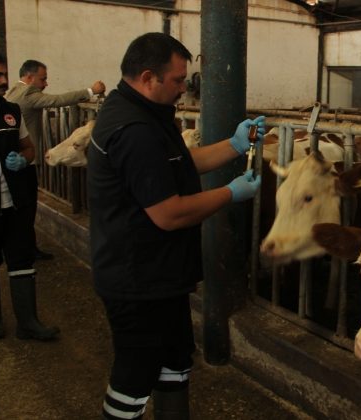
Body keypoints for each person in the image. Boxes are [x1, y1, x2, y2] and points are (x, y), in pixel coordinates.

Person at [87, 33, 264, 420]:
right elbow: (169, 213)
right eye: (179, 80)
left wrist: (234, 145)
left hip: (158, 273)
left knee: (175, 359)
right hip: (136, 279)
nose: (185, 89)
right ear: (149, 77)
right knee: (134, 376)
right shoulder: (134, 130)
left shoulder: (144, 113)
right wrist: (230, 194)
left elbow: (180, 163)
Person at [0, 50, 60, 341]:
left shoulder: (11, 111)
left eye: (4, 74)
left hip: (15, 202)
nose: (5, 80)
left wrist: (24, 158)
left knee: (21, 261)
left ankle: (28, 322)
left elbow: (28, 147)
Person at [6, 59, 106, 260]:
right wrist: (90, 91)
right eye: (43, 79)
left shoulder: (12, 91)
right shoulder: (28, 93)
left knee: (20, 207)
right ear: (29, 77)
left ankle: (25, 247)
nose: (45, 84)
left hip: (14, 158)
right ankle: (26, 251)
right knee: (27, 207)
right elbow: (57, 100)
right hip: (25, 160)